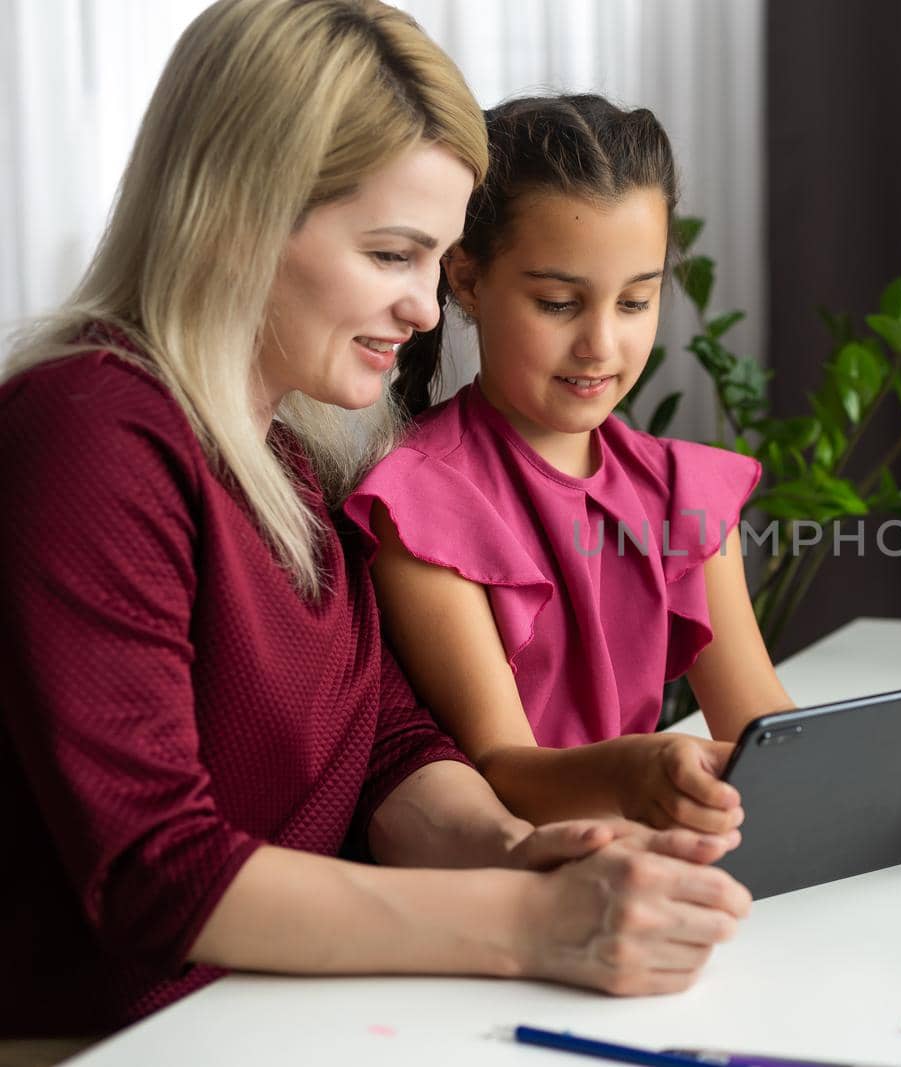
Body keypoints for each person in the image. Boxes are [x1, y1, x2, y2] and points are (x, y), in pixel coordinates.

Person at [0, 2, 750, 1050]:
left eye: (433, 260)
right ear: (236, 213)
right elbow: (156, 878)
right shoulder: (88, 434)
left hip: (281, 1012)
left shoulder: (297, 453)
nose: (425, 313)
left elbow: (390, 753)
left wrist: (510, 848)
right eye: (392, 253)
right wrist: (527, 922)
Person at [345, 94, 901, 848]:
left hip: (657, 867)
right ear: (469, 280)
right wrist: (644, 771)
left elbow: (764, 730)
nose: (601, 344)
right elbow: (503, 772)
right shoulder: (417, 501)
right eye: (557, 303)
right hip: (512, 888)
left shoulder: (685, 493)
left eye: (637, 300)